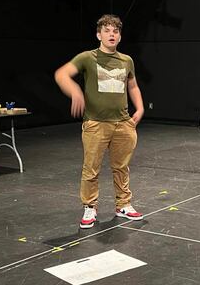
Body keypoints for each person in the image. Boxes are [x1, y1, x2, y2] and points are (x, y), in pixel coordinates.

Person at [54, 14, 145, 229]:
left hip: (123, 123)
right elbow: (62, 74)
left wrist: (140, 108)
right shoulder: (88, 57)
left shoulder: (126, 60)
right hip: (96, 123)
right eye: (107, 30)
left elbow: (132, 86)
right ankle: (90, 207)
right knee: (91, 168)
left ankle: (123, 204)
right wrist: (75, 91)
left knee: (121, 167)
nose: (111, 34)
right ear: (98, 35)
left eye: (115, 31)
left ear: (120, 36)